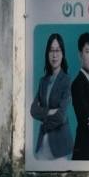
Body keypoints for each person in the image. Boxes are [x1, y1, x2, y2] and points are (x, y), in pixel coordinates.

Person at [30, 31, 72, 161]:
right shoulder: (43, 81)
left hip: (60, 147)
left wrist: (44, 123)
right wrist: (49, 111)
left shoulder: (66, 81)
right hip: (42, 146)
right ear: (47, 54)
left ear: (62, 54)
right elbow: (33, 110)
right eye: (51, 50)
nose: (54, 55)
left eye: (58, 50)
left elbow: (61, 116)